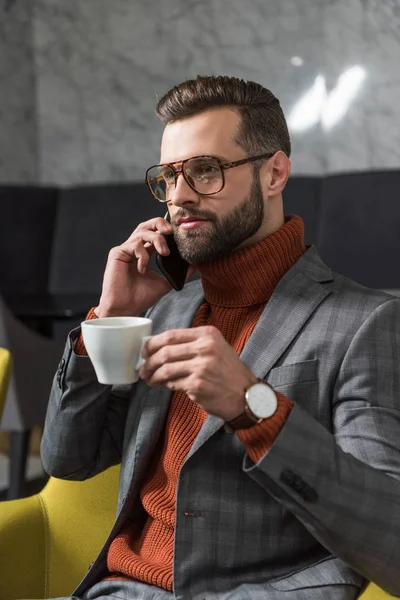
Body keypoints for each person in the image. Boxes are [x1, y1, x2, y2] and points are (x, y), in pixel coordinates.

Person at [41, 75, 400, 600]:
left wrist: (253, 406)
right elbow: (66, 459)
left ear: (274, 173)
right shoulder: (164, 310)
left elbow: (388, 537)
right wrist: (109, 318)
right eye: (168, 177)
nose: (179, 197)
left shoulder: (365, 323)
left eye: (205, 171)